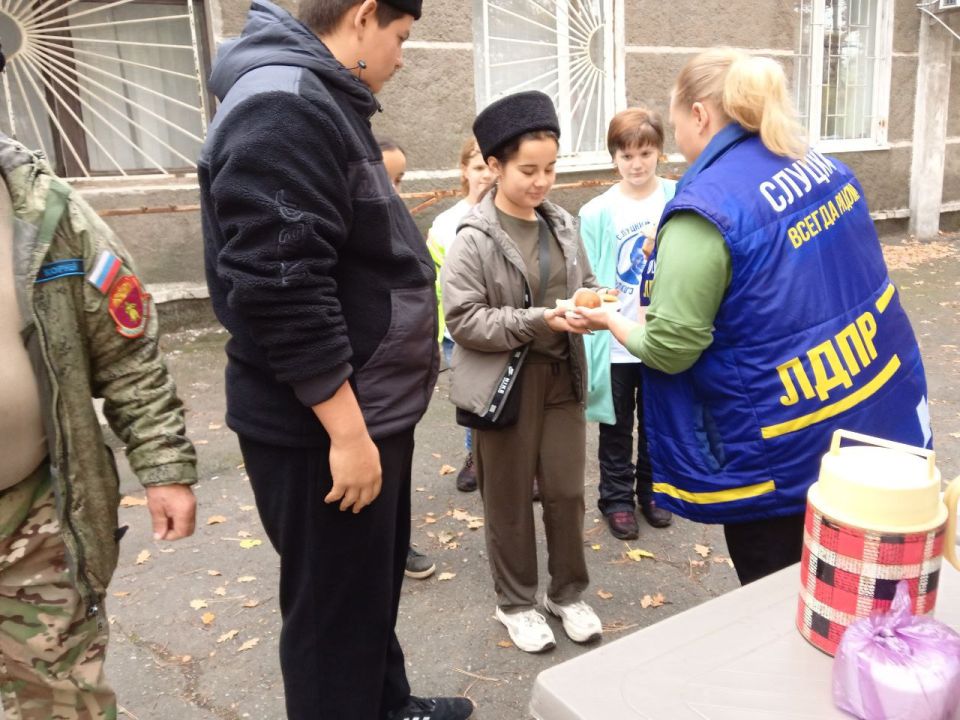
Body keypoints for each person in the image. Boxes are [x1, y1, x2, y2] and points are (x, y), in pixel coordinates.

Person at [199, 2, 472, 719]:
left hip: (364, 406)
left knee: (364, 596)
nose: (403, 57)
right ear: (361, 17)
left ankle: (389, 705)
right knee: (330, 628)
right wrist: (347, 434)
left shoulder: (315, 94)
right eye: (401, 37)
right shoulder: (282, 106)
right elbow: (280, 287)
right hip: (320, 427)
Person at [577, 49, 930, 585]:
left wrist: (610, 322)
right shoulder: (817, 163)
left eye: (674, 122)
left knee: (787, 595)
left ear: (699, 115)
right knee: (864, 582)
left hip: (783, 446)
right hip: (871, 414)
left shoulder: (706, 207)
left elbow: (671, 347)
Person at [0, 133, 198, 718]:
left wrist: (163, 467)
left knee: (62, 697)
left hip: (33, 514)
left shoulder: (43, 210)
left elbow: (126, 352)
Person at [442, 90, 602, 654]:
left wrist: (589, 304)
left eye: (551, 168)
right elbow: (464, 320)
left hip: (562, 380)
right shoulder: (473, 237)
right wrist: (543, 319)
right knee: (507, 499)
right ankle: (515, 603)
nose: (541, 182)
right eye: (528, 170)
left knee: (565, 493)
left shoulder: (563, 224)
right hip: (504, 388)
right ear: (494, 166)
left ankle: (567, 592)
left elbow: (573, 287)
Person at [579, 108, 676, 541]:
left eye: (645, 153)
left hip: (659, 335)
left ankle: (653, 492)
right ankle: (616, 498)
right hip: (616, 338)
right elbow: (588, 276)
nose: (637, 164)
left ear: (659, 153)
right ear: (614, 158)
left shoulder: (679, 197)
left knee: (658, 420)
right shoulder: (598, 211)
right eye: (627, 155)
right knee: (615, 425)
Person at [376, 136, 436, 581]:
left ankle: (398, 544)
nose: (395, 191)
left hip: (405, 382)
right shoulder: (354, 228)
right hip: (370, 386)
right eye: (385, 178)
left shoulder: (400, 224)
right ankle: (374, 551)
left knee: (398, 473)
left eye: (400, 179)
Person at [426, 137, 495, 492]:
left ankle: (520, 463)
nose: (485, 175)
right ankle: (475, 457)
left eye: (489, 166)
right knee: (472, 398)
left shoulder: (511, 215)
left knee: (510, 394)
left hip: (502, 330)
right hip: (459, 333)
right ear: (465, 172)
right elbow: (435, 283)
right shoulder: (445, 223)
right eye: (477, 167)